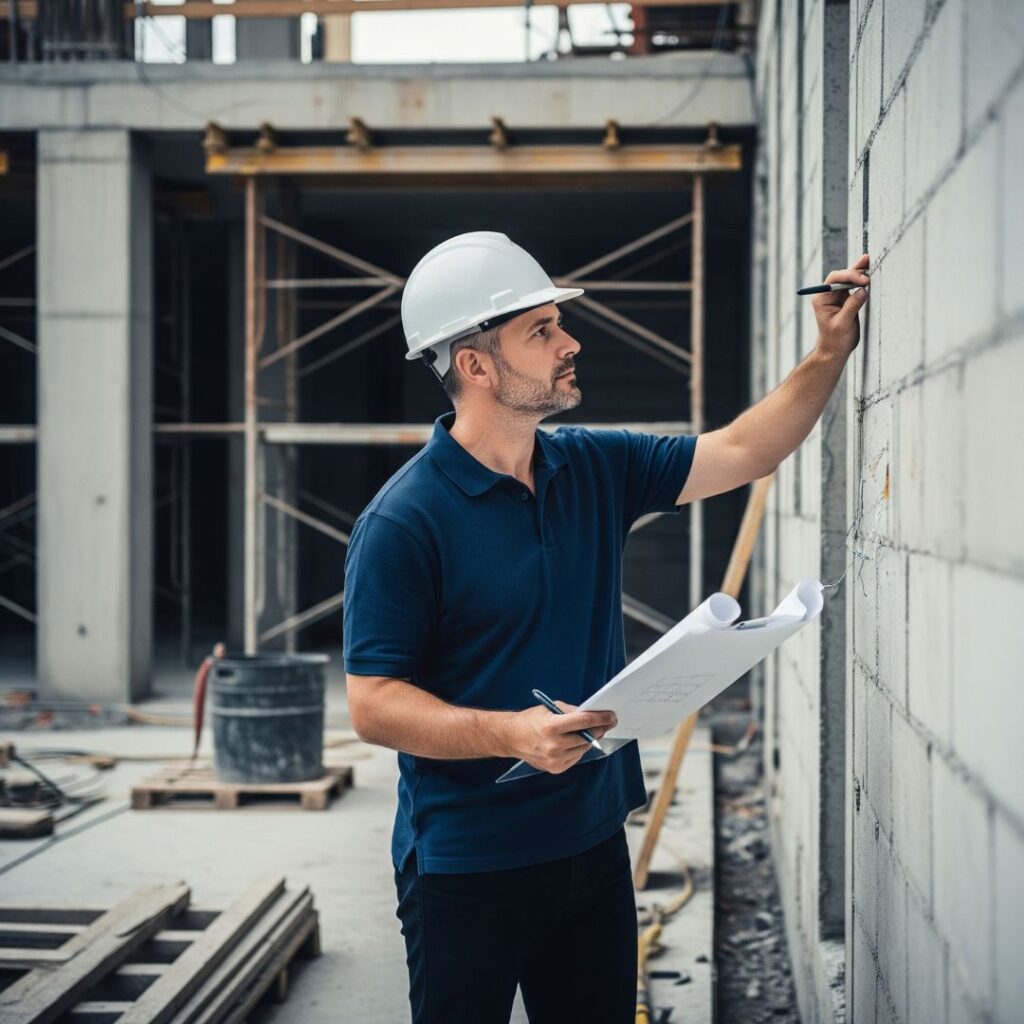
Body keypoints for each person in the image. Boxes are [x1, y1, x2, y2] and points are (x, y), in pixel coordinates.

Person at [343, 231, 869, 1023]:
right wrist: (509, 735)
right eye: (542, 332)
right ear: (475, 366)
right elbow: (372, 703)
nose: (570, 343)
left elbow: (741, 451)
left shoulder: (590, 465)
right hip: (469, 864)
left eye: (559, 324)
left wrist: (829, 350)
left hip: (590, 843)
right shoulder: (402, 522)